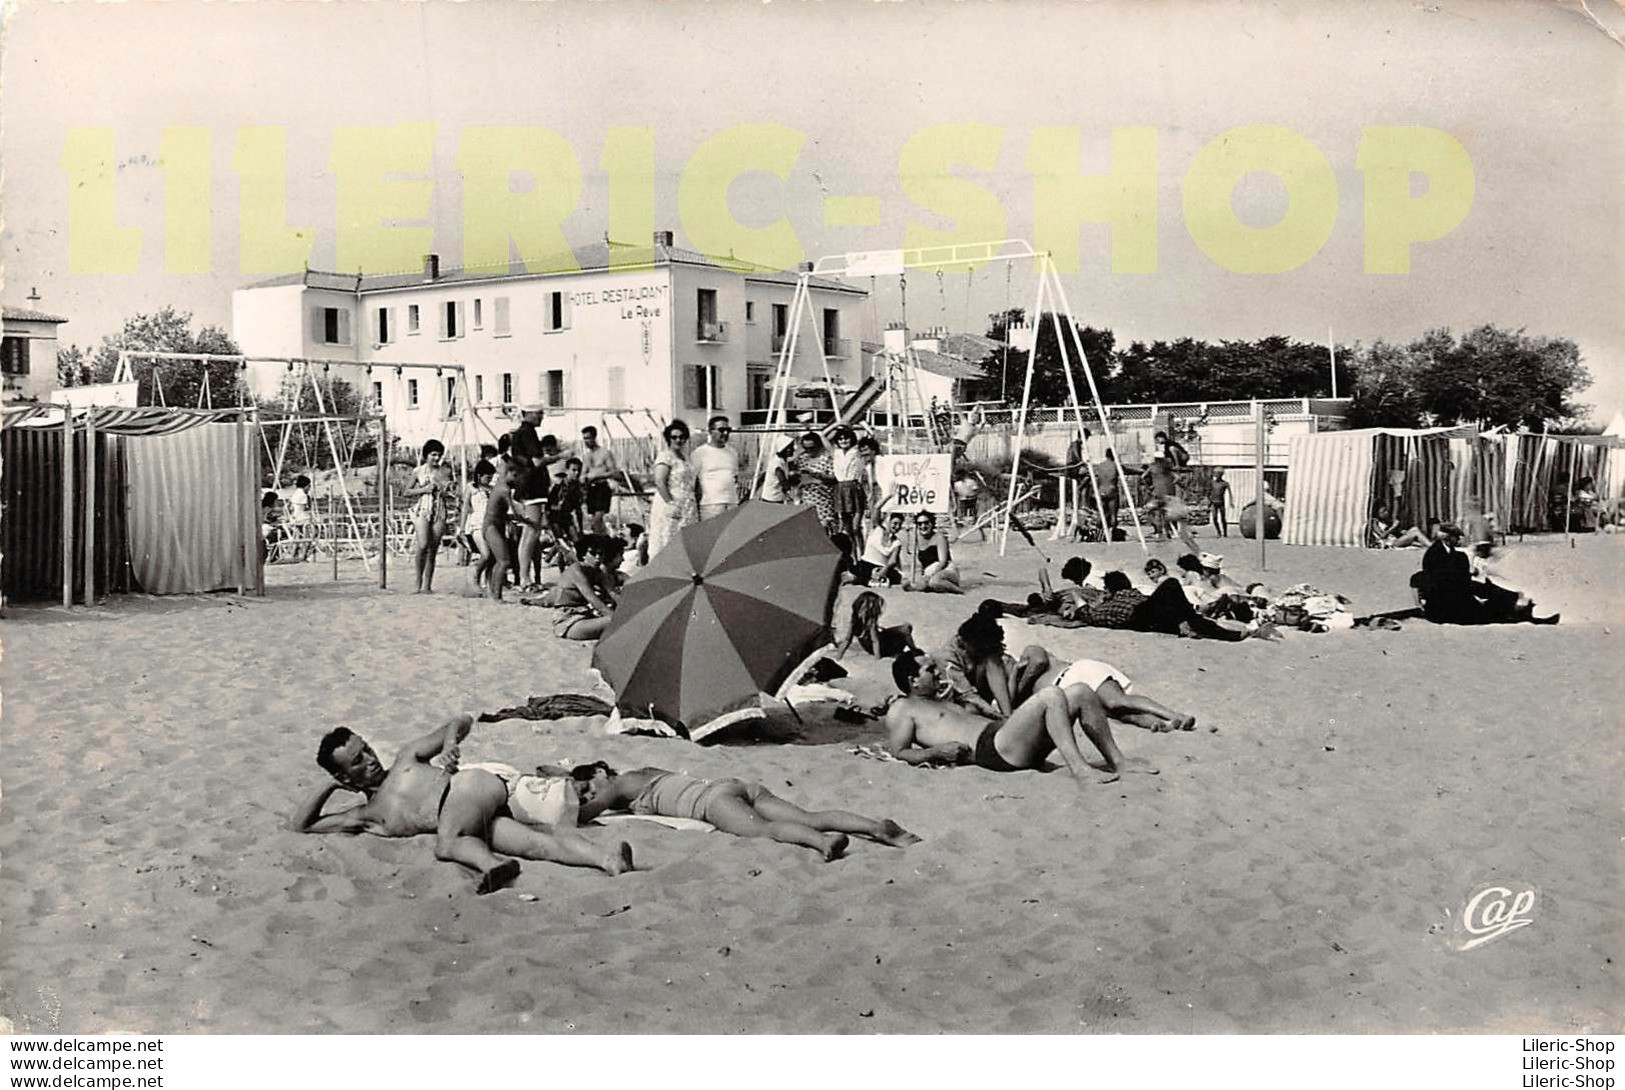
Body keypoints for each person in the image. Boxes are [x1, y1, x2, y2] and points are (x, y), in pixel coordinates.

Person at [291, 714, 634, 894]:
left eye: (365, 748)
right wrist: (329, 784)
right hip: (471, 822)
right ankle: (608, 860)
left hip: (469, 788)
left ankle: (491, 867)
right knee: (536, 846)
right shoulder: (367, 816)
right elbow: (302, 825)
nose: (370, 759)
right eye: (357, 761)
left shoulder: (406, 759)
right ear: (347, 778)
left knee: (446, 845)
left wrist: (451, 743)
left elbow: (462, 719)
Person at [885, 651, 1155, 786]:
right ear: (913, 682)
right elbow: (899, 751)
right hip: (993, 750)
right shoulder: (903, 709)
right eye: (929, 670)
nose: (937, 672)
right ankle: (1080, 770)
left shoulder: (940, 698)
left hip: (1006, 737)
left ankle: (1118, 762)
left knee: (1082, 692)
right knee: (1050, 695)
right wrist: (936, 752)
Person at [568, 763, 920, 861]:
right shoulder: (644, 775)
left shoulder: (618, 781)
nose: (590, 797)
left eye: (588, 789)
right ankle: (876, 827)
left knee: (766, 831)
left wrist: (567, 799)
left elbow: (586, 812)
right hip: (733, 785)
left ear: (600, 772)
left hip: (712, 803)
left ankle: (822, 843)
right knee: (807, 814)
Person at [1415, 523, 1557, 625]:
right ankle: (1520, 610)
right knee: (1487, 610)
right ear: (1447, 537)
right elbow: (1440, 579)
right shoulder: (1434, 554)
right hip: (1444, 604)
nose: (1458, 540)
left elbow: (1461, 578)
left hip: (1457, 595)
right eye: (1456, 537)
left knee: (1488, 593)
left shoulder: (1456, 555)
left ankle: (1517, 606)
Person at [937, 604, 1056, 717]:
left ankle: (1007, 713)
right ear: (965, 642)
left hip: (983, 688)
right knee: (971, 710)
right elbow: (968, 695)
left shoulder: (977, 645)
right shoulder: (947, 657)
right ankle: (1006, 715)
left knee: (993, 661)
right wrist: (995, 715)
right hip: (957, 698)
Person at [1048, 659, 1196, 733]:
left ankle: (1176, 715)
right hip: (1071, 692)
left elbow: (1038, 660)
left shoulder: (1029, 658)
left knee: (1116, 701)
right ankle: (1165, 724)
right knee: (1121, 715)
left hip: (1076, 673)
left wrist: (1023, 686)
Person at [481, 459, 544, 602]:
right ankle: (496, 596)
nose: (518, 480)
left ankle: (493, 592)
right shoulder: (504, 490)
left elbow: (503, 513)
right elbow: (514, 512)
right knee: (503, 561)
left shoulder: (499, 486)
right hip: (491, 527)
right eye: (516, 476)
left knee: (497, 561)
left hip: (493, 525)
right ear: (509, 473)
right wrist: (529, 521)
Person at [550, 534, 626, 641]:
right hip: (568, 621)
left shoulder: (596, 572)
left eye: (600, 553)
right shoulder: (576, 571)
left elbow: (611, 593)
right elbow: (595, 601)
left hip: (586, 616)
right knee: (617, 620)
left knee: (623, 617)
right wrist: (620, 617)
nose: (597, 558)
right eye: (593, 553)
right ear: (583, 554)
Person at [401, 439, 452, 594]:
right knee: (423, 545)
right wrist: (424, 489)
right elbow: (406, 491)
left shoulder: (445, 472)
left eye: (439, 455)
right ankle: (418, 582)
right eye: (433, 454)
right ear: (426, 455)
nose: (436, 458)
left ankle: (427, 585)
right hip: (423, 509)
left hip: (440, 510)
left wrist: (445, 490)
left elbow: (449, 494)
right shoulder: (418, 471)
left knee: (433, 549)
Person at [648, 419, 698, 558]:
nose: (678, 440)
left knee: (685, 542)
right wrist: (670, 503)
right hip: (670, 501)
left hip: (687, 504)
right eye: (674, 437)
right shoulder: (665, 456)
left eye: (682, 437)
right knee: (667, 537)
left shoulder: (686, 458)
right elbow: (659, 481)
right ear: (668, 439)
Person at [836, 589, 917, 660]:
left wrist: (838, 657)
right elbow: (875, 641)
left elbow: (847, 640)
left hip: (871, 648)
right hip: (881, 648)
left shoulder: (854, 621)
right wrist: (878, 659)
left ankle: (908, 652)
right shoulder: (871, 622)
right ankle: (915, 652)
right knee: (906, 628)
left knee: (904, 628)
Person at [689, 415, 740, 521]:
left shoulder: (732, 452)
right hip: (710, 505)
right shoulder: (700, 453)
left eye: (728, 430)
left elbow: (734, 477)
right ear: (711, 431)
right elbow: (692, 482)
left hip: (731, 502)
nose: (725, 433)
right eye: (721, 430)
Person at [790, 431, 838, 533]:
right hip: (807, 498)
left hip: (823, 498)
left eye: (811, 448)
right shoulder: (802, 459)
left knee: (824, 528)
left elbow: (833, 478)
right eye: (806, 448)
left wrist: (816, 475)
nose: (809, 451)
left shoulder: (826, 458)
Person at [577, 425, 620, 535]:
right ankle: (603, 542)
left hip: (602, 487)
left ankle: (602, 545)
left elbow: (614, 472)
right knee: (593, 523)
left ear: (594, 438)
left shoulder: (605, 453)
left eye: (588, 438)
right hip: (591, 489)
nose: (586, 441)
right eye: (584, 439)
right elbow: (583, 473)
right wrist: (583, 479)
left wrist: (599, 476)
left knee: (597, 520)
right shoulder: (586, 456)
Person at [908, 511, 962, 593]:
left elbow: (942, 562)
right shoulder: (917, 540)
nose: (923, 526)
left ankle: (958, 591)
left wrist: (930, 575)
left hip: (946, 570)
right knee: (918, 583)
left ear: (932, 523)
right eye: (920, 524)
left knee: (934, 582)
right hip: (930, 573)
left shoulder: (939, 537)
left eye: (926, 523)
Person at [460, 460, 495, 583]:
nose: (490, 479)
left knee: (492, 557)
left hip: (492, 526)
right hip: (477, 525)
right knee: (485, 554)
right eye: (487, 476)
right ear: (479, 475)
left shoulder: (492, 489)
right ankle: (475, 577)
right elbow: (465, 509)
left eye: (491, 476)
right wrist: (462, 528)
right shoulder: (471, 487)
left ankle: (489, 583)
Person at [829, 426, 866, 539]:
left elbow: (870, 435)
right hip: (840, 488)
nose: (843, 441)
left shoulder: (857, 451)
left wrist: (862, 425)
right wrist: (837, 424)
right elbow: (822, 436)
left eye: (846, 438)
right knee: (846, 526)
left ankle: (861, 551)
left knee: (856, 526)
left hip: (853, 486)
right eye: (840, 439)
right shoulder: (836, 452)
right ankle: (851, 551)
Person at [852, 511, 905, 587]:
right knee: (851, 578)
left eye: (900, 525)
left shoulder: (897, 542)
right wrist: (887, 498)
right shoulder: (876, 529)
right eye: (895, 523)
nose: (897, 527)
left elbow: (893, 561)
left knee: (900, 580)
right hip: (865, 565)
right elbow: (876, 508)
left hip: (881, 568)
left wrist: (882, 572)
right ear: (889, 522)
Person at [548, 457, 587, 545]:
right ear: (567, 470)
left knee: (577, 541)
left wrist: (580, 529)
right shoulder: (558, 485)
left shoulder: (577, 489)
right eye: (573, 470)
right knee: (561, 542)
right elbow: (547, 504)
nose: (576, 473)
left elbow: (578, 510)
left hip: (566, 517)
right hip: (554, 517)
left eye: (578, 471)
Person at [952, 470, 985, 542]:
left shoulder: (967, 482)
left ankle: (982, 535)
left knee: (974, 519)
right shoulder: (959, 483)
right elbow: (976, 489)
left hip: (969, 500)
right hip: (963, 500)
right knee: (960, 519)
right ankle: (959, 535)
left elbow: (976, 489)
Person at [1208, 468, 1231, 538]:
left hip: (1221, 503)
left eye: (1218, 474)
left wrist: (1231, 501)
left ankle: (1225, 533)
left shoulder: (1225, 483)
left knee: (1223, 519)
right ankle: (1218, 532)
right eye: (1215, 474)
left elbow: (1230, 493)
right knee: (1214, 518)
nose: (1216, 475)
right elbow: (1209, 492)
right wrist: (1209, 501)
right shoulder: (1212, 483)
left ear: (1221, 475)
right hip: (1213, 503)